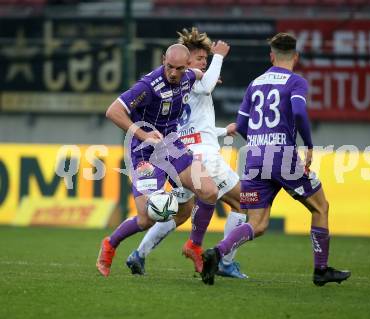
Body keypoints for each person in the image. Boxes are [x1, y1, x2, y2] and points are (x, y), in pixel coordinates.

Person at [200, 33, 351, 286]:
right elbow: (300, 111)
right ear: (296, 57)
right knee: (320, 207)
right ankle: (321, 270)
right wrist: (309, 145)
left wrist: (257, 142)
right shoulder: (296, 82)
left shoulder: (255, 83)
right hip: (283, 155)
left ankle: (217, 252)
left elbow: (240, 125)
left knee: (257, 224)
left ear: (271, 56)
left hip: (255, 156)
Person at [126, 27, 248, 279]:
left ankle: (139, 253)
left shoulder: (178, 86)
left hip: (183, 153)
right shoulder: (191, 81)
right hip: (200, 155)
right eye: (200, 59)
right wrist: (218, 58)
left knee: (181, 211)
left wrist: (224, 130)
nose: (204, 63)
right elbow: (206, 87)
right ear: (186, 61)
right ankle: (224, 260)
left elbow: (194, 126)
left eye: (206, 59)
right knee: (242, 202)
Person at [96, 43, 219, 277]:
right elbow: (113, 111)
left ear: (186, 66)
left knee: (209, 191)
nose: (173, 73)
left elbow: (199, 74)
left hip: (171, 145)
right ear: (163, 60)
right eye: (169, 67)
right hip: (143, 150)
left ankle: (194, 246)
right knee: (146, 218)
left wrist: (208, 76)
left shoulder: (187, 76)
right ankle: (110, 244)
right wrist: (143, 134)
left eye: (179, 68)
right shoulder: (148, 86)